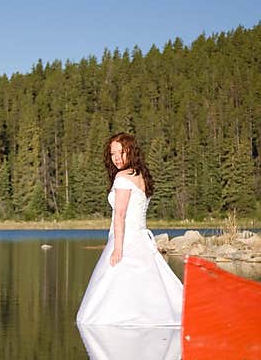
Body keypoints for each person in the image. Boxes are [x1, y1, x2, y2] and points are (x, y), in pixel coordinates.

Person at [76, 132, 183, 326]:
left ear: (130, 151)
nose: (116, 158)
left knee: (108, 301)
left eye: (121, 152)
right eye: (112, 154)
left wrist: (117, 249)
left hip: (126, 239)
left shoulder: (122, 177)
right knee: (145, 285)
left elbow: (120, 215)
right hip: (141, 238)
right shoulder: (141, 175)